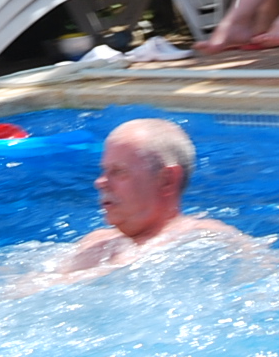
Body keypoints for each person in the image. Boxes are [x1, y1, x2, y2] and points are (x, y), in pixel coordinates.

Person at [46, 118, 253, 278]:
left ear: (166, 179)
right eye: (104, 171)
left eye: (118, 171)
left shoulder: (208, 238)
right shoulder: (94, 241)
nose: (100, 182)